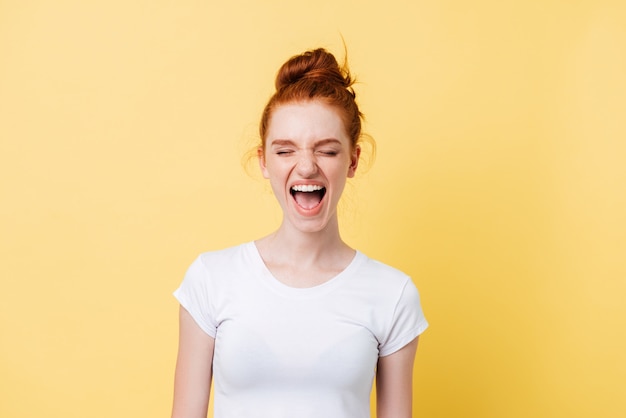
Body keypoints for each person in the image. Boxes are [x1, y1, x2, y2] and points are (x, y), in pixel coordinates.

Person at [171, 48, 428, 418]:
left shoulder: (393, 293)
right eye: (285, 151)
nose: (306, 167)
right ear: (263, 161)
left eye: (326, 151)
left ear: (352, 160)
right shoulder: (211, 279)